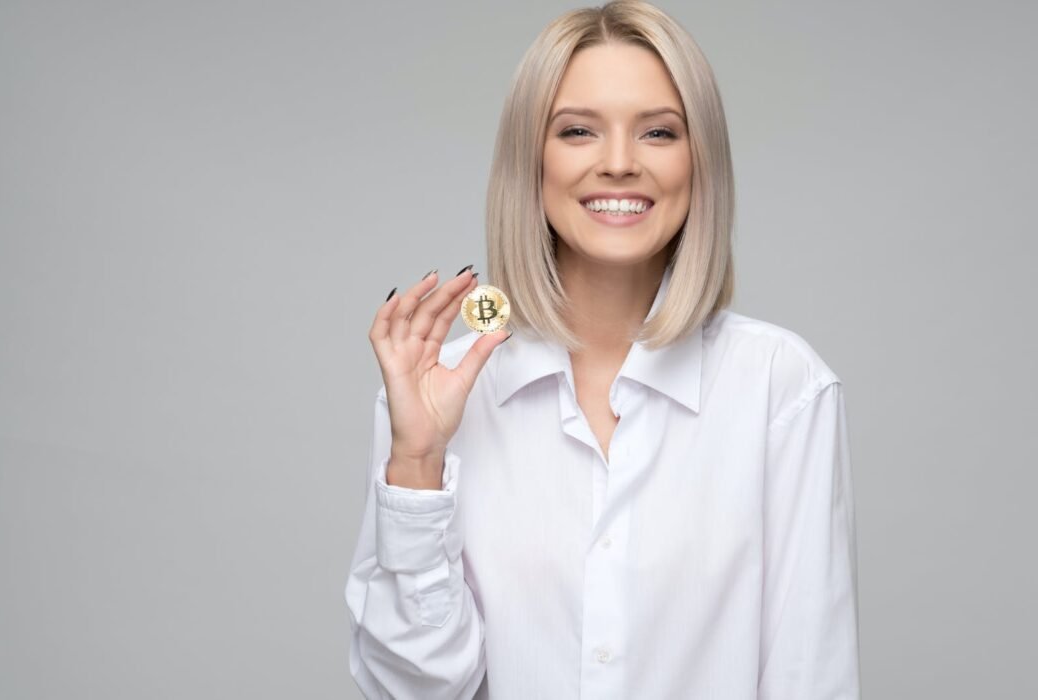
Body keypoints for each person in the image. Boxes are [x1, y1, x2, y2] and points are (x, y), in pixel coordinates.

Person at [343, 1, 861, 698]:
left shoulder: (782, 388)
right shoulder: (435, 396)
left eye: (658, 132)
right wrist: (416, 466)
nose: (619, 164)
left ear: (699, 160)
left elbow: (810, 674)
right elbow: (418, 691)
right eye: (578, 131)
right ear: (532, 159)